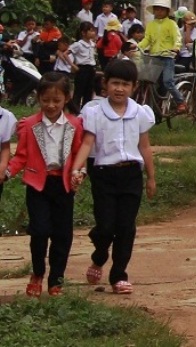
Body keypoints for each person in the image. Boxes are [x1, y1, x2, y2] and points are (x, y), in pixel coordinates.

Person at [70, 59, 156, 295]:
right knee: (106, 225)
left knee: (126, 226)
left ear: (134, 87)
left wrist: (151, 177)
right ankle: (99, 255)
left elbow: (145, 146)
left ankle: (119, 274)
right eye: (115, 83)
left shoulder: (140, 113)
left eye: (125, 84)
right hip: (104, 175)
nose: (119, 89)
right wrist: (76, 169)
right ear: (105, 84)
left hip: (131, 175)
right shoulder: (94, 111)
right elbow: (87, 143)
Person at [6, 73, 84, 297]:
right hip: (37, 185)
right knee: (39, 231)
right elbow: (21, 156)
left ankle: (56, 280)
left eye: (56, 101)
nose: (51, 105)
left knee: (63, 234)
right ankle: (38, 273)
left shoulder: (75, 125)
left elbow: (79, 154)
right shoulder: (29, 125)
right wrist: (7, 171)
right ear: (38, 98)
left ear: (67, 98)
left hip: (63, 186)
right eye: (45, 100)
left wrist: (80, 173)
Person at [137, 0, 187, 113]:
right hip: (154, 57)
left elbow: (177, 38)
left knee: (168, 81)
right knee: (150, 82)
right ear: (154, 10)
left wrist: (176, 48)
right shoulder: (151, 24)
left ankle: (181, 102)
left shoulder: (171, 24)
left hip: (167, 56)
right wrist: (138, 46)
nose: (159, 12)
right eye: (157, 9)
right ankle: (155, 108)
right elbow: (147, 39)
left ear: (167, 11)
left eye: (162, 9)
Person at [70, 21, 98, 111]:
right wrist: (72, 65)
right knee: (79, 91)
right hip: (82, 68)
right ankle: (75, 110)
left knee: (89, 91)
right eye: (90, 31)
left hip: (91, 69)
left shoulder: (92, 44)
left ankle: (85, 110)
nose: (93, 33)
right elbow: (65, 54)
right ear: (83, 32)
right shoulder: (78, 44)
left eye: (93, 31)